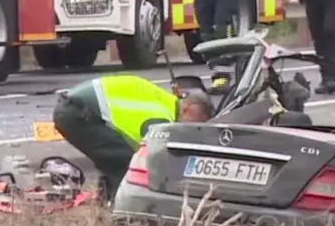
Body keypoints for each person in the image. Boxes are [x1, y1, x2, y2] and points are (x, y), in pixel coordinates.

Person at [52, 75, 214, 199]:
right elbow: (155, 152)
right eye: (194, 123)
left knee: (114, 158)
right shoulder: (161, 118)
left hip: (75, 108)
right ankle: (120, 210)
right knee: (127, 164)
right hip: (77, 113)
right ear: (186, 108)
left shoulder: (164, 100)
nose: (190, 129)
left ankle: (106, 203)